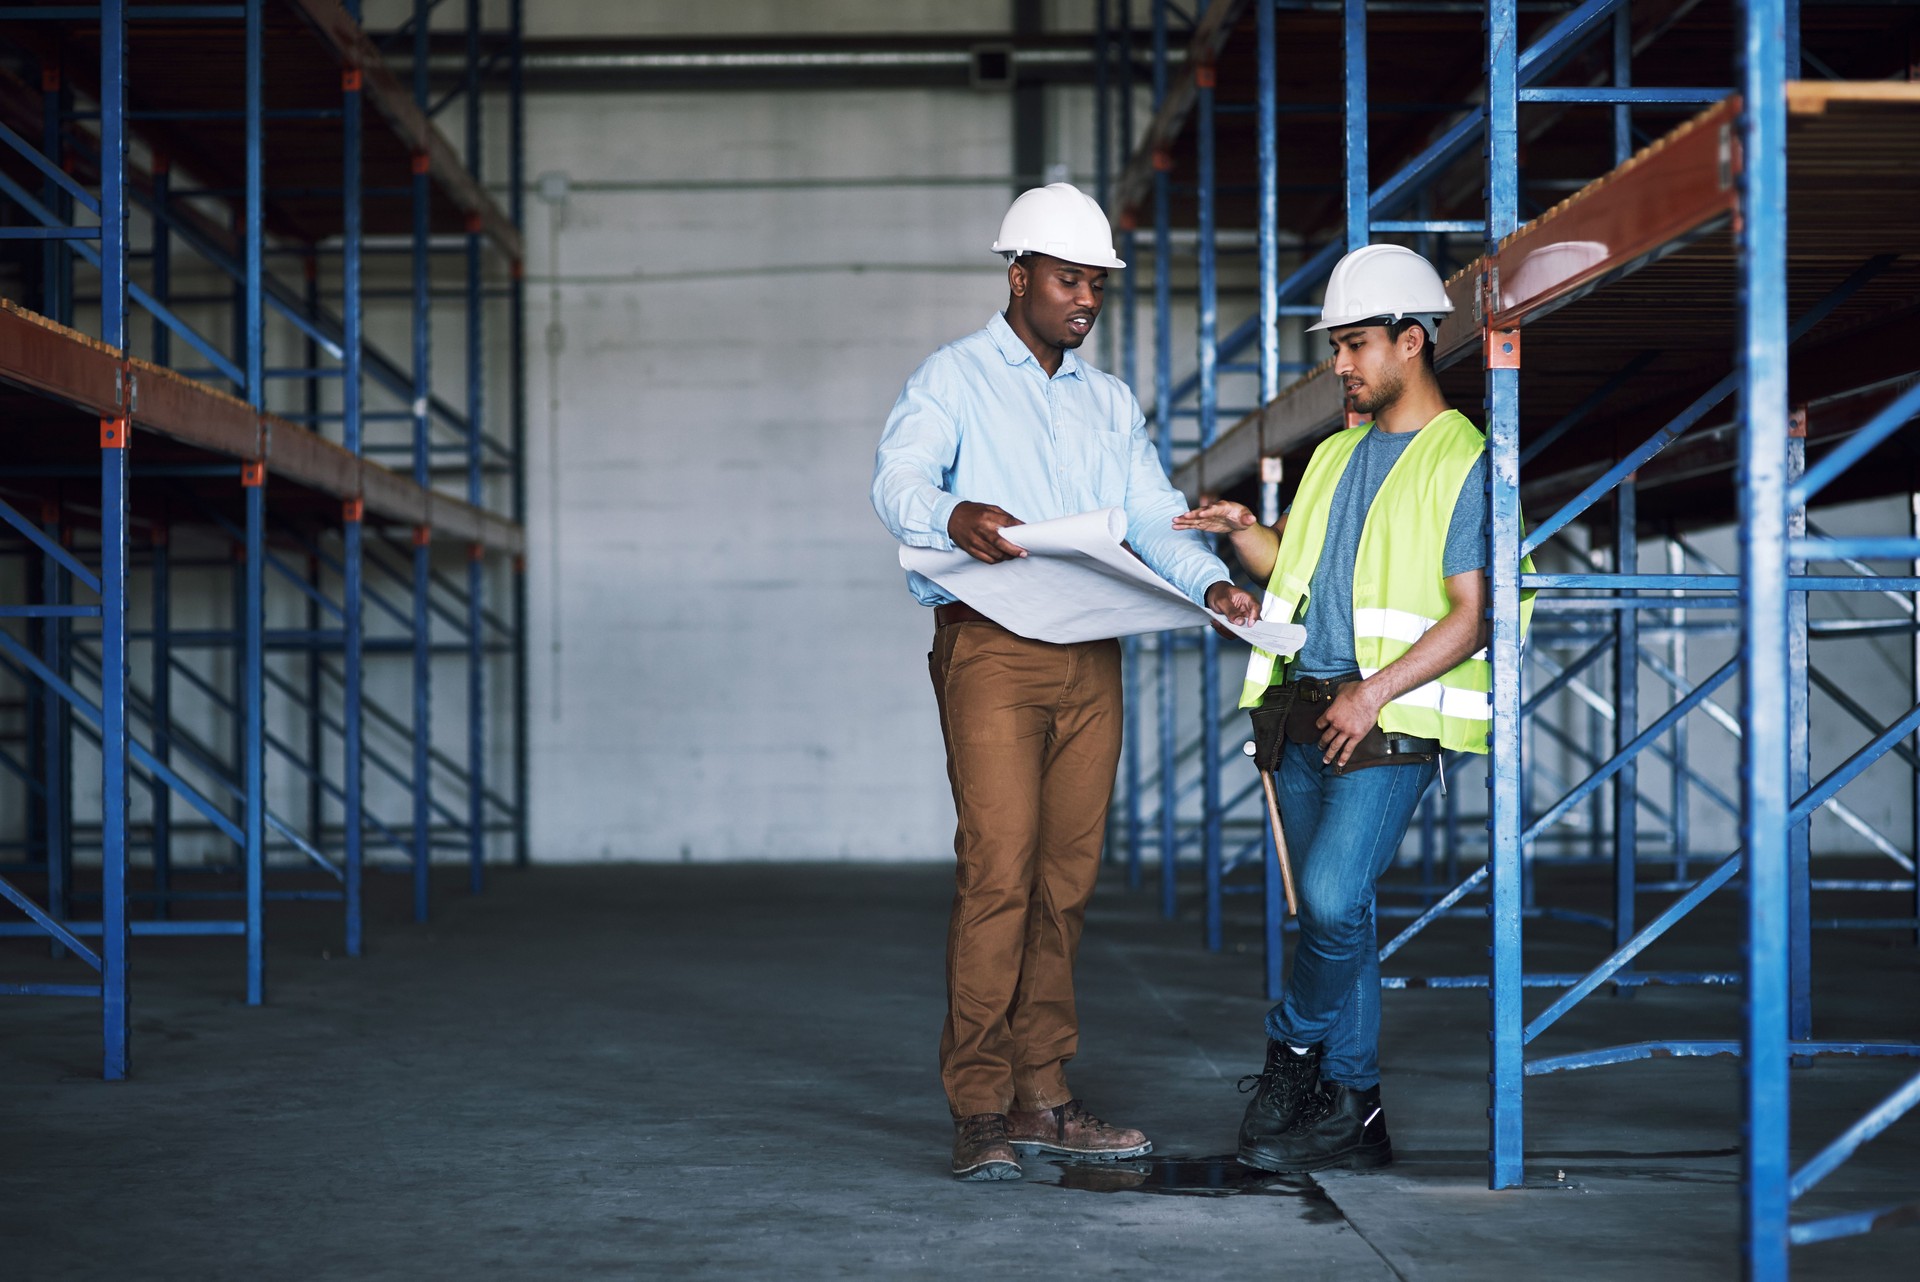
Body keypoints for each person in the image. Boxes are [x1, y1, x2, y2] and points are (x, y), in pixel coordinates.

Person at [872, 183, 1261, 1181]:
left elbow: (1149, 513)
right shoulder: (953, 379)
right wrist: (951, 513)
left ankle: (1043, 1092)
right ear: (1019, 276)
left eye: (1095, 282)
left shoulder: (1109, 401)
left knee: (1066, 881)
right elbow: (898, 478)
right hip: (992, 646)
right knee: (999, 869)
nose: (1084, 297)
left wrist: (1214, 586)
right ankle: (979, 1106)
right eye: (1067, 278)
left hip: (1093, 654)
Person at [1175, 243, 1530, 1173]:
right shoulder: (1332, 455)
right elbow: (1306, 566)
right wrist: (1246, 534)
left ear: (1412, 342)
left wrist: (1374, 694)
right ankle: (1359, 1113)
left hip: (1389, 718)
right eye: (1338, 346)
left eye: (1356, 345)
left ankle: (1290, 1051)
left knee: (1331, 898)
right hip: (1299, 711)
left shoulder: (1468, 464)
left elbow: (1475, 614)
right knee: (1339, 918)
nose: (1339, 365)